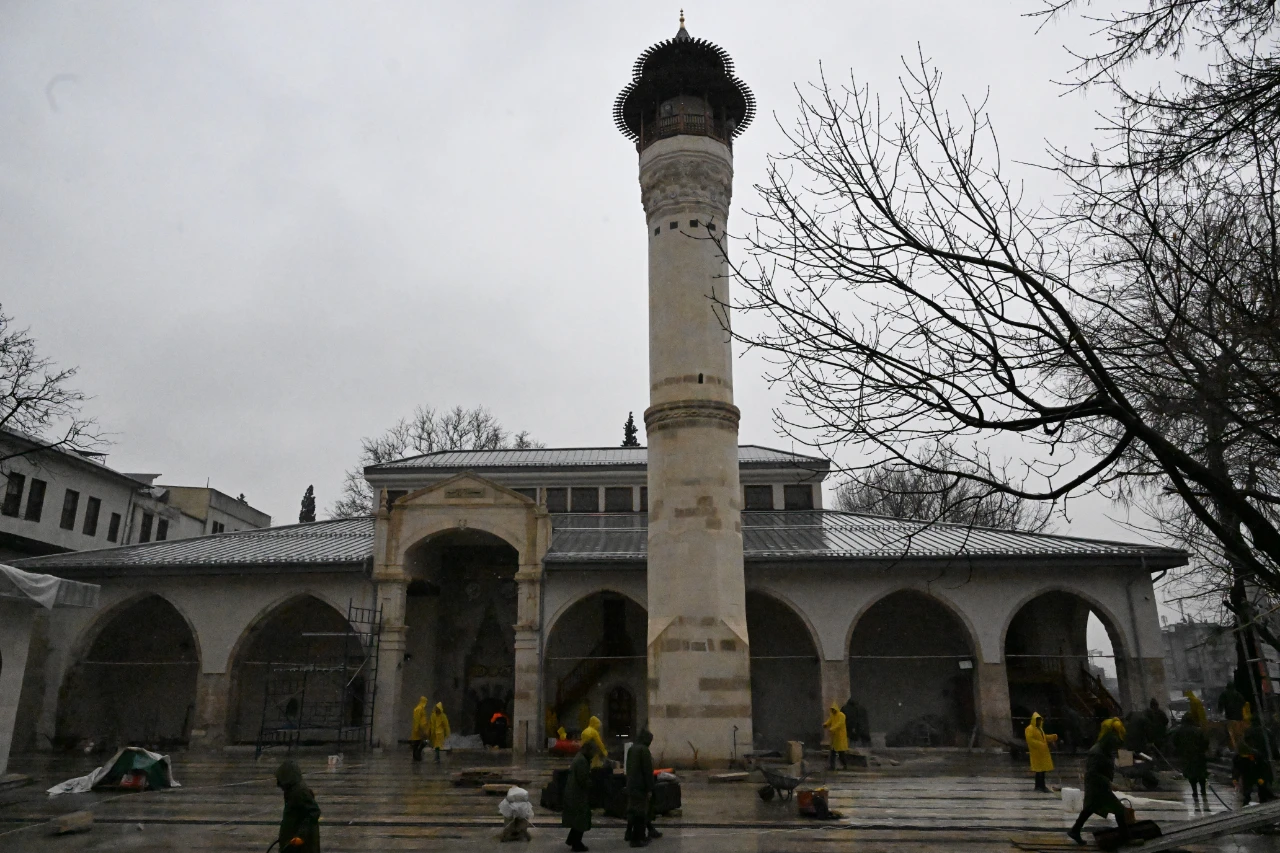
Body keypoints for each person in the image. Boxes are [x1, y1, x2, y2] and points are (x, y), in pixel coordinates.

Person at [1067, 725, 1129, 846]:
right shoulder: (1096, 753)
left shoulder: (1104, 750)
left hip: (1099, 786)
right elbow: (1092, 773)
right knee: (1119, 810)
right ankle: (1126, 838)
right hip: (1097, 787)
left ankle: (1074, 830)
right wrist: (1109, 782)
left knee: (1090, 808)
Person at [275, 760, 321, 853]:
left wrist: (301, 836)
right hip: (292, 841)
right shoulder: (291, 790)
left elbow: (313, 812)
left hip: (300, 846)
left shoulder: (299, 791)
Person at [1170, 712, 1209, 809]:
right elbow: (1205, 742)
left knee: (1191, 776)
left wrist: (1180, 751)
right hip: (1199, 756)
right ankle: (1203, 791)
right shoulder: (1198, 730)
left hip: (1187, 757)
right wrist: (1202, 750)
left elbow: (1175, 742)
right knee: (1201, 775)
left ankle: (1194, 792)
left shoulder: (1179, 731)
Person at [563, 740, 597, 852]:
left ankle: (572, 840)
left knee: (577, 818)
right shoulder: (582, 761)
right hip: (577, 794)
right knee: (581, 818)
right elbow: (583, 779)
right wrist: (591, 784)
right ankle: (576, 843)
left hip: (573, 792)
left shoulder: (580, 757)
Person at [624, 729, 655, 847]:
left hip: (631, 785)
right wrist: (650, 788)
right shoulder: (644, 750)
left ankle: (631, 835)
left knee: (632, 810)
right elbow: (647, 771)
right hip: (640, 786)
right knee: (640, 813)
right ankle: (637, 839)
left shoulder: (632, 749)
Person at [1237, 718, 1275, 805]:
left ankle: (1247, 798)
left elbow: (1244, 745)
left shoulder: (1249, 732)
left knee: (1249, 781)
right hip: (1262, 759)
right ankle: (1263, 797)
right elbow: (1272, 745)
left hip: (1250, 760)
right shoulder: (1266, 732)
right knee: (1262, 778)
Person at [1024, 712, 1058, 793]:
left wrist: (1052, 737)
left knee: (1042, 770)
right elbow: (1030, 740)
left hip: (1042, 753)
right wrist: (1041, 745)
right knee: (1039, 771)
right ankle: (1039, 786)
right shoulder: (1030, 729)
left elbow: (1043, 737)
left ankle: (1042, 786)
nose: (1039, 722)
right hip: (1036, 753)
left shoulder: (1039, 729)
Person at [825, 704, 849, 770]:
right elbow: (829, 721)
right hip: (834, 737)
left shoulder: (841, 715)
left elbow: (840, 724)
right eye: (832, 710)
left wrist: (832, 728)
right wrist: (826, 724)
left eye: (833, 710)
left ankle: (845, 765)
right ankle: (832, 766)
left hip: (840, 737)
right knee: (833, 753)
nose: (833, 711)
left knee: (841, 753)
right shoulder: (832, 715)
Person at [410, 696, 429, 762]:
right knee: (419, 743)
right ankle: (416, 756)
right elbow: (417, 720)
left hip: (421, 728)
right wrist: (417, 728)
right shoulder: (419, 709)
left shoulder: (421, 709)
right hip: (420, 729)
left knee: (418, 743)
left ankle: (416, 756)